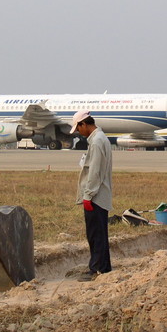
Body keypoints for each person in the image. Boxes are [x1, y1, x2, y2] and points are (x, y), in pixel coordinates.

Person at [70, 110, 113, 281]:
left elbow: (95, 172)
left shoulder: (96, 142)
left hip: (95, 196)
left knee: (95, 234)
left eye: (78, 128)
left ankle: (96, 270)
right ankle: (104, 267)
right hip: (99, 194)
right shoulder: (100, 138)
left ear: (84, 124)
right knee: (100, 233)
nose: (78, 132)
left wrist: (88, 196)